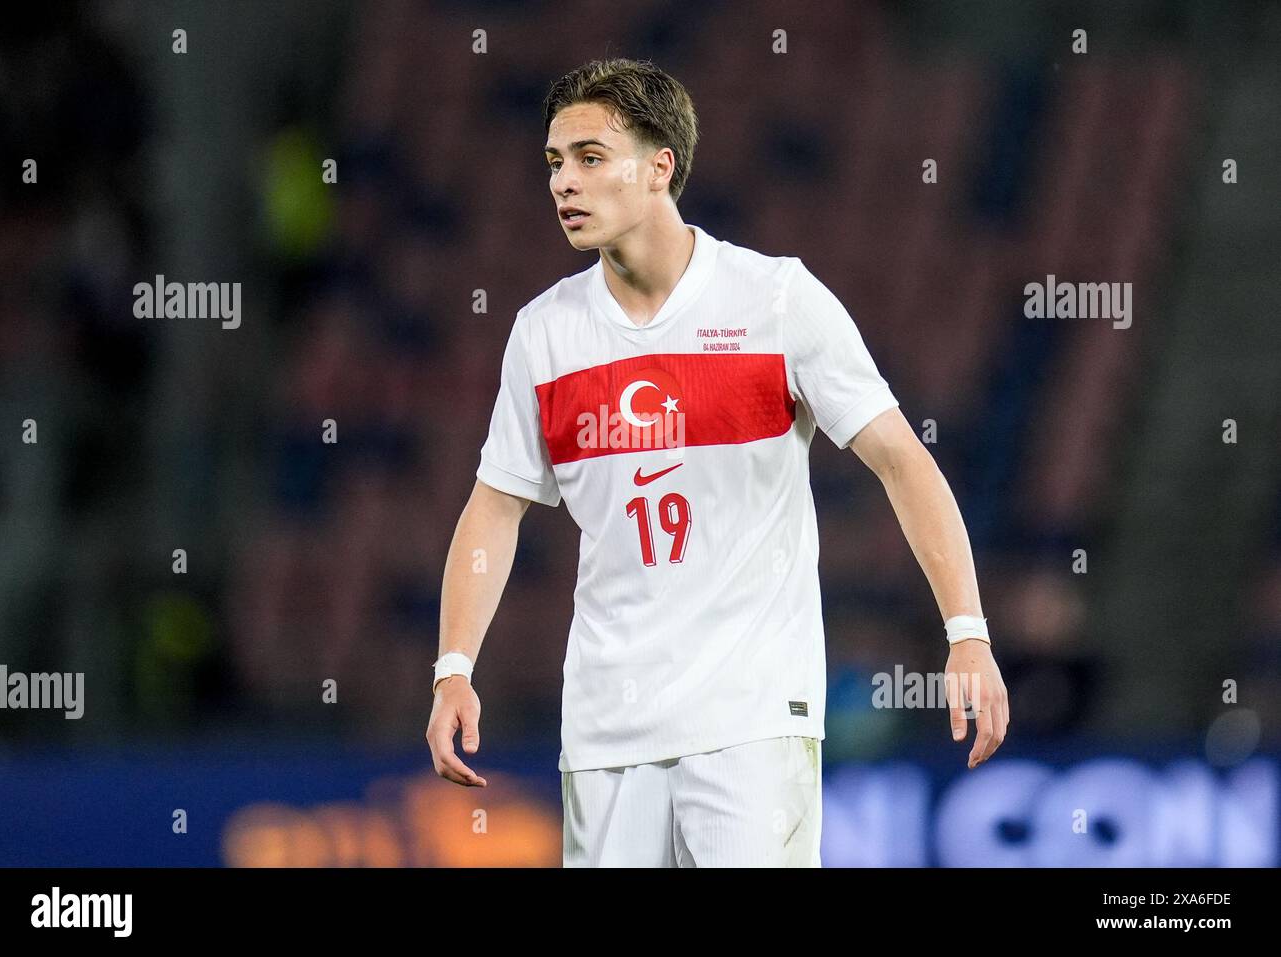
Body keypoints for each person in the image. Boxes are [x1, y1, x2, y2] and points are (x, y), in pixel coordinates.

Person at [427, 57, 1009, 867]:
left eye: (591, 158)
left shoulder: (775, 299)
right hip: (606, 727)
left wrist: (967, 633)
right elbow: (495, 506)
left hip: (750, 720)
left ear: (660, 166)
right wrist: (454, 668)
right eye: (555, 163)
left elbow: (903, 462)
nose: (565, 182)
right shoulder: (544, 333)